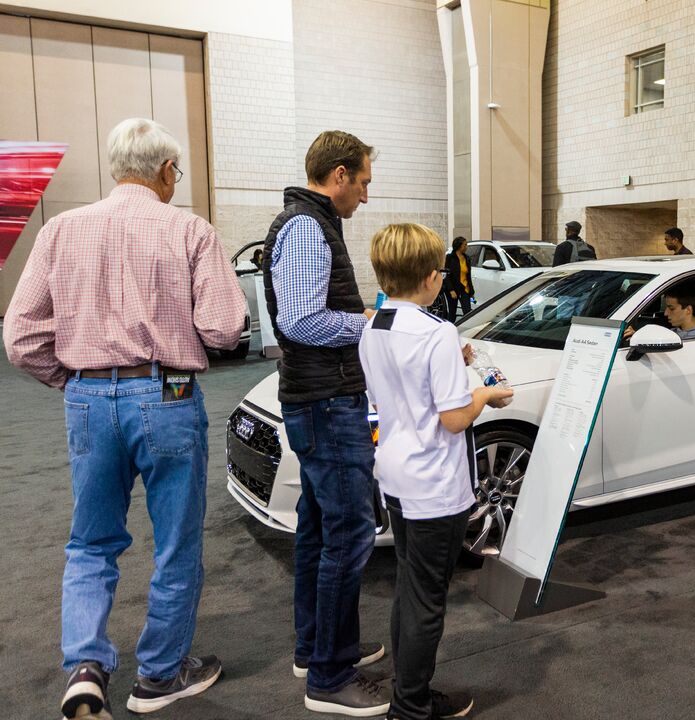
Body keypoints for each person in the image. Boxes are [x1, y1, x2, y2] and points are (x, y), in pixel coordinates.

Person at [2, 117, 246, 718]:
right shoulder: (190, 229)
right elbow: (223, 326)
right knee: (177, 543)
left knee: (90, 542)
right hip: (166, 395)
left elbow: (21, 336)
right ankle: (159, 676)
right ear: (166, 171)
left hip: (87, 397)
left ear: (116, 169)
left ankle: (86, 668)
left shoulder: (60, 229)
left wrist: (78, 382)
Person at [360, 223, 512, 720]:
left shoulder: (376, 324)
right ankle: (410, 707)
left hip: (397, 476)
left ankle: (411, 693)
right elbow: (453, 419)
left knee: (409, 587)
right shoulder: (437, 332)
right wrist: (487, 395)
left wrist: (453, 360)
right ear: (431, 277)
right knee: (427, 600)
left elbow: (406, 385)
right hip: (435, 485)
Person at [262, 131, 389, 715]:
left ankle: (317, 649)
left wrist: (358, 316)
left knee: (318, 530)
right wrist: (373, 327)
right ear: (338, 175)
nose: (366, 194)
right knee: (350, 534)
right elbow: (303, 324)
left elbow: (311, 314)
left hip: (319, 400)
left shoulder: (311, 223)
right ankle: (330, 679)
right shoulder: (308, 227)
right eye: (362, 181)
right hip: (326, 404)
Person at [624, 291, 695, 341]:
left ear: (688, 310)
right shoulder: (673, 333)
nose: (665, 313)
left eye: (671, 308)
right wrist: (637, 336)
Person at [443, 236, 473, 320]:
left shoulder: (467, 258)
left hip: (464, 288)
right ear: (459, 246)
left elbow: (468, 276)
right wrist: (451, 290)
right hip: (453, 289)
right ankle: (450, 329)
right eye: (465, 245)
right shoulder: (450, 257)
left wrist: (471, 291)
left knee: (467, 313)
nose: (467, 246)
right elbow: (447, 275)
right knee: (452, 312)